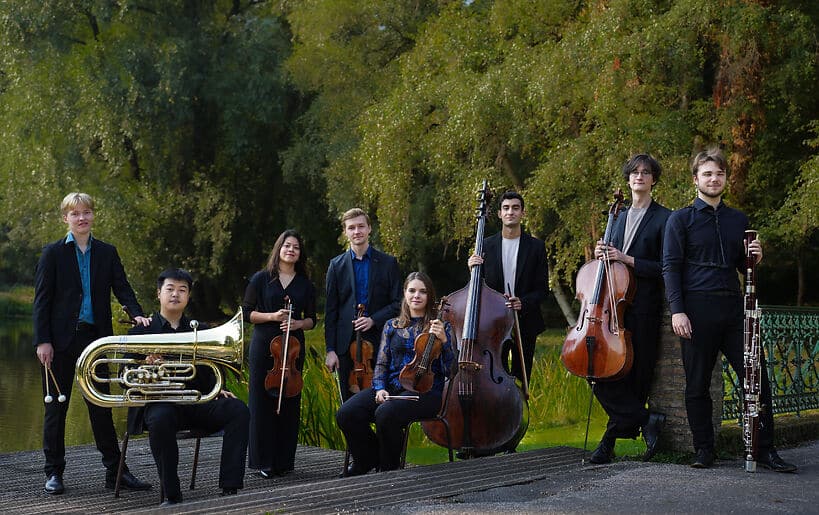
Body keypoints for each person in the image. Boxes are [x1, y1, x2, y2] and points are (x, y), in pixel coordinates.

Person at [663, 147, 796, 472]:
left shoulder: (738, 219)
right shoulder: (680, 219)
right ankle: (704, 450)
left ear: (725, 179)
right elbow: (670, 267)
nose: (714, 179)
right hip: (696, 310)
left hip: (734, 309)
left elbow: (740, 264)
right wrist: (677, 310)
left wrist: (755, 258)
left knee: (757, 379)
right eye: (707, 174)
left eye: (719, 174)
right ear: (696, 179)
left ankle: (765, 451)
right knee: (697, 383)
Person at [33, 192, 152, 495]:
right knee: (55, 408)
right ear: (66, 218)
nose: (82, 218)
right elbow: (42, 302)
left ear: (93, 215)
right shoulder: (53, 253)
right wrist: (43, 341)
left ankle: (116, 472)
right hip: (58, 342)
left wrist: (136, 315)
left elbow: (122, 288)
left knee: (101, 407)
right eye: (76, 214)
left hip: (95, 340)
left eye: (87, 212)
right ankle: (54, 473)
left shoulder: (107, 252)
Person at [126, 268, 249, 506]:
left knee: (238, 410)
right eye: (170, 289)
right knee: (160, 420)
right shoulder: (141, 331)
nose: (175, 294)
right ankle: (172, 495)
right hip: (160, 404)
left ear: (188, 297)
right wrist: (145, 367)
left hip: (197, 402)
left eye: (182, 290)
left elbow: (211, 369)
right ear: (159, 293)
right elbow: (124, 377)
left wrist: (218, 386)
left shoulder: (200, 330)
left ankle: (230, 488)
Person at [589, 154, 671, 464]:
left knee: (636, 378)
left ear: (653, 180)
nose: (639, 176)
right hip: (611, 311)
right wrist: (602, 253)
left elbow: (666, 267)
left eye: (646, 172)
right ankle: (647, 419)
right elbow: (608, 266)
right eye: (634, 172)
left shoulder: (666, 218)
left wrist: (627, 259)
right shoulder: (617, 217)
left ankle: (608, 443)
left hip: (644, 309)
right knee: (597, 375)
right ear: (628, 180)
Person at [336, 272, 455, 474]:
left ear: (430, 296)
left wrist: (444, 342)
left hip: (424, 393)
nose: (416, 295)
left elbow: (451, 370)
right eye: (412, 290)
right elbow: (381, 364)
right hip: (392, 387)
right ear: (405, 294)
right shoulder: (392, 325)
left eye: (423, 291)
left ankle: (388, 466)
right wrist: (380, 388)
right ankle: (367, 458)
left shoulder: (441, 327)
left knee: (385, 413)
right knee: (346, 413)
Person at [244, 230, 317, 478]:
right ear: (279, 248)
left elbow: (312, 320)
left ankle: (284, 461)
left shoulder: (305, 284)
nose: (291, 250)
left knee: (289, 402)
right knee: (261, 403)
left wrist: (298, 324)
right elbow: (247, 314)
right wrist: (272, 317)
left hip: (293, 349)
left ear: (300, 253)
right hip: (264, 346)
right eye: (287, 246)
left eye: (296, 247)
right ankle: (262, 462)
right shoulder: (261, 279)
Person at [467, 191, 548, 385]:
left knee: (522, 375)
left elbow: (543, 289)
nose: (510, 212)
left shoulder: (536, 247)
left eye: (515, 208)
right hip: (493, 321)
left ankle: (521, 413)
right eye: (506, 208)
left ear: (523, 213)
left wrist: (523, 302)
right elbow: (477, 290)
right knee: (495, 372)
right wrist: (472, 271)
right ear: (499, 214)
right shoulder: (485, 245)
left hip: (525, 320)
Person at [324, 208, 402, 400]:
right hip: (345, 346)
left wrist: (373, 320)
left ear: (369, 229)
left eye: (361, 226)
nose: (356, 231)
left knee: (383, 403)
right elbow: (331, 311)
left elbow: (399, 303)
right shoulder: (336, 265)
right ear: (345, 232)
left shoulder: (388, 263)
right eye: (351, 228)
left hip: (381, 341)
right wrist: (330, 350)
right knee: (348, 407)